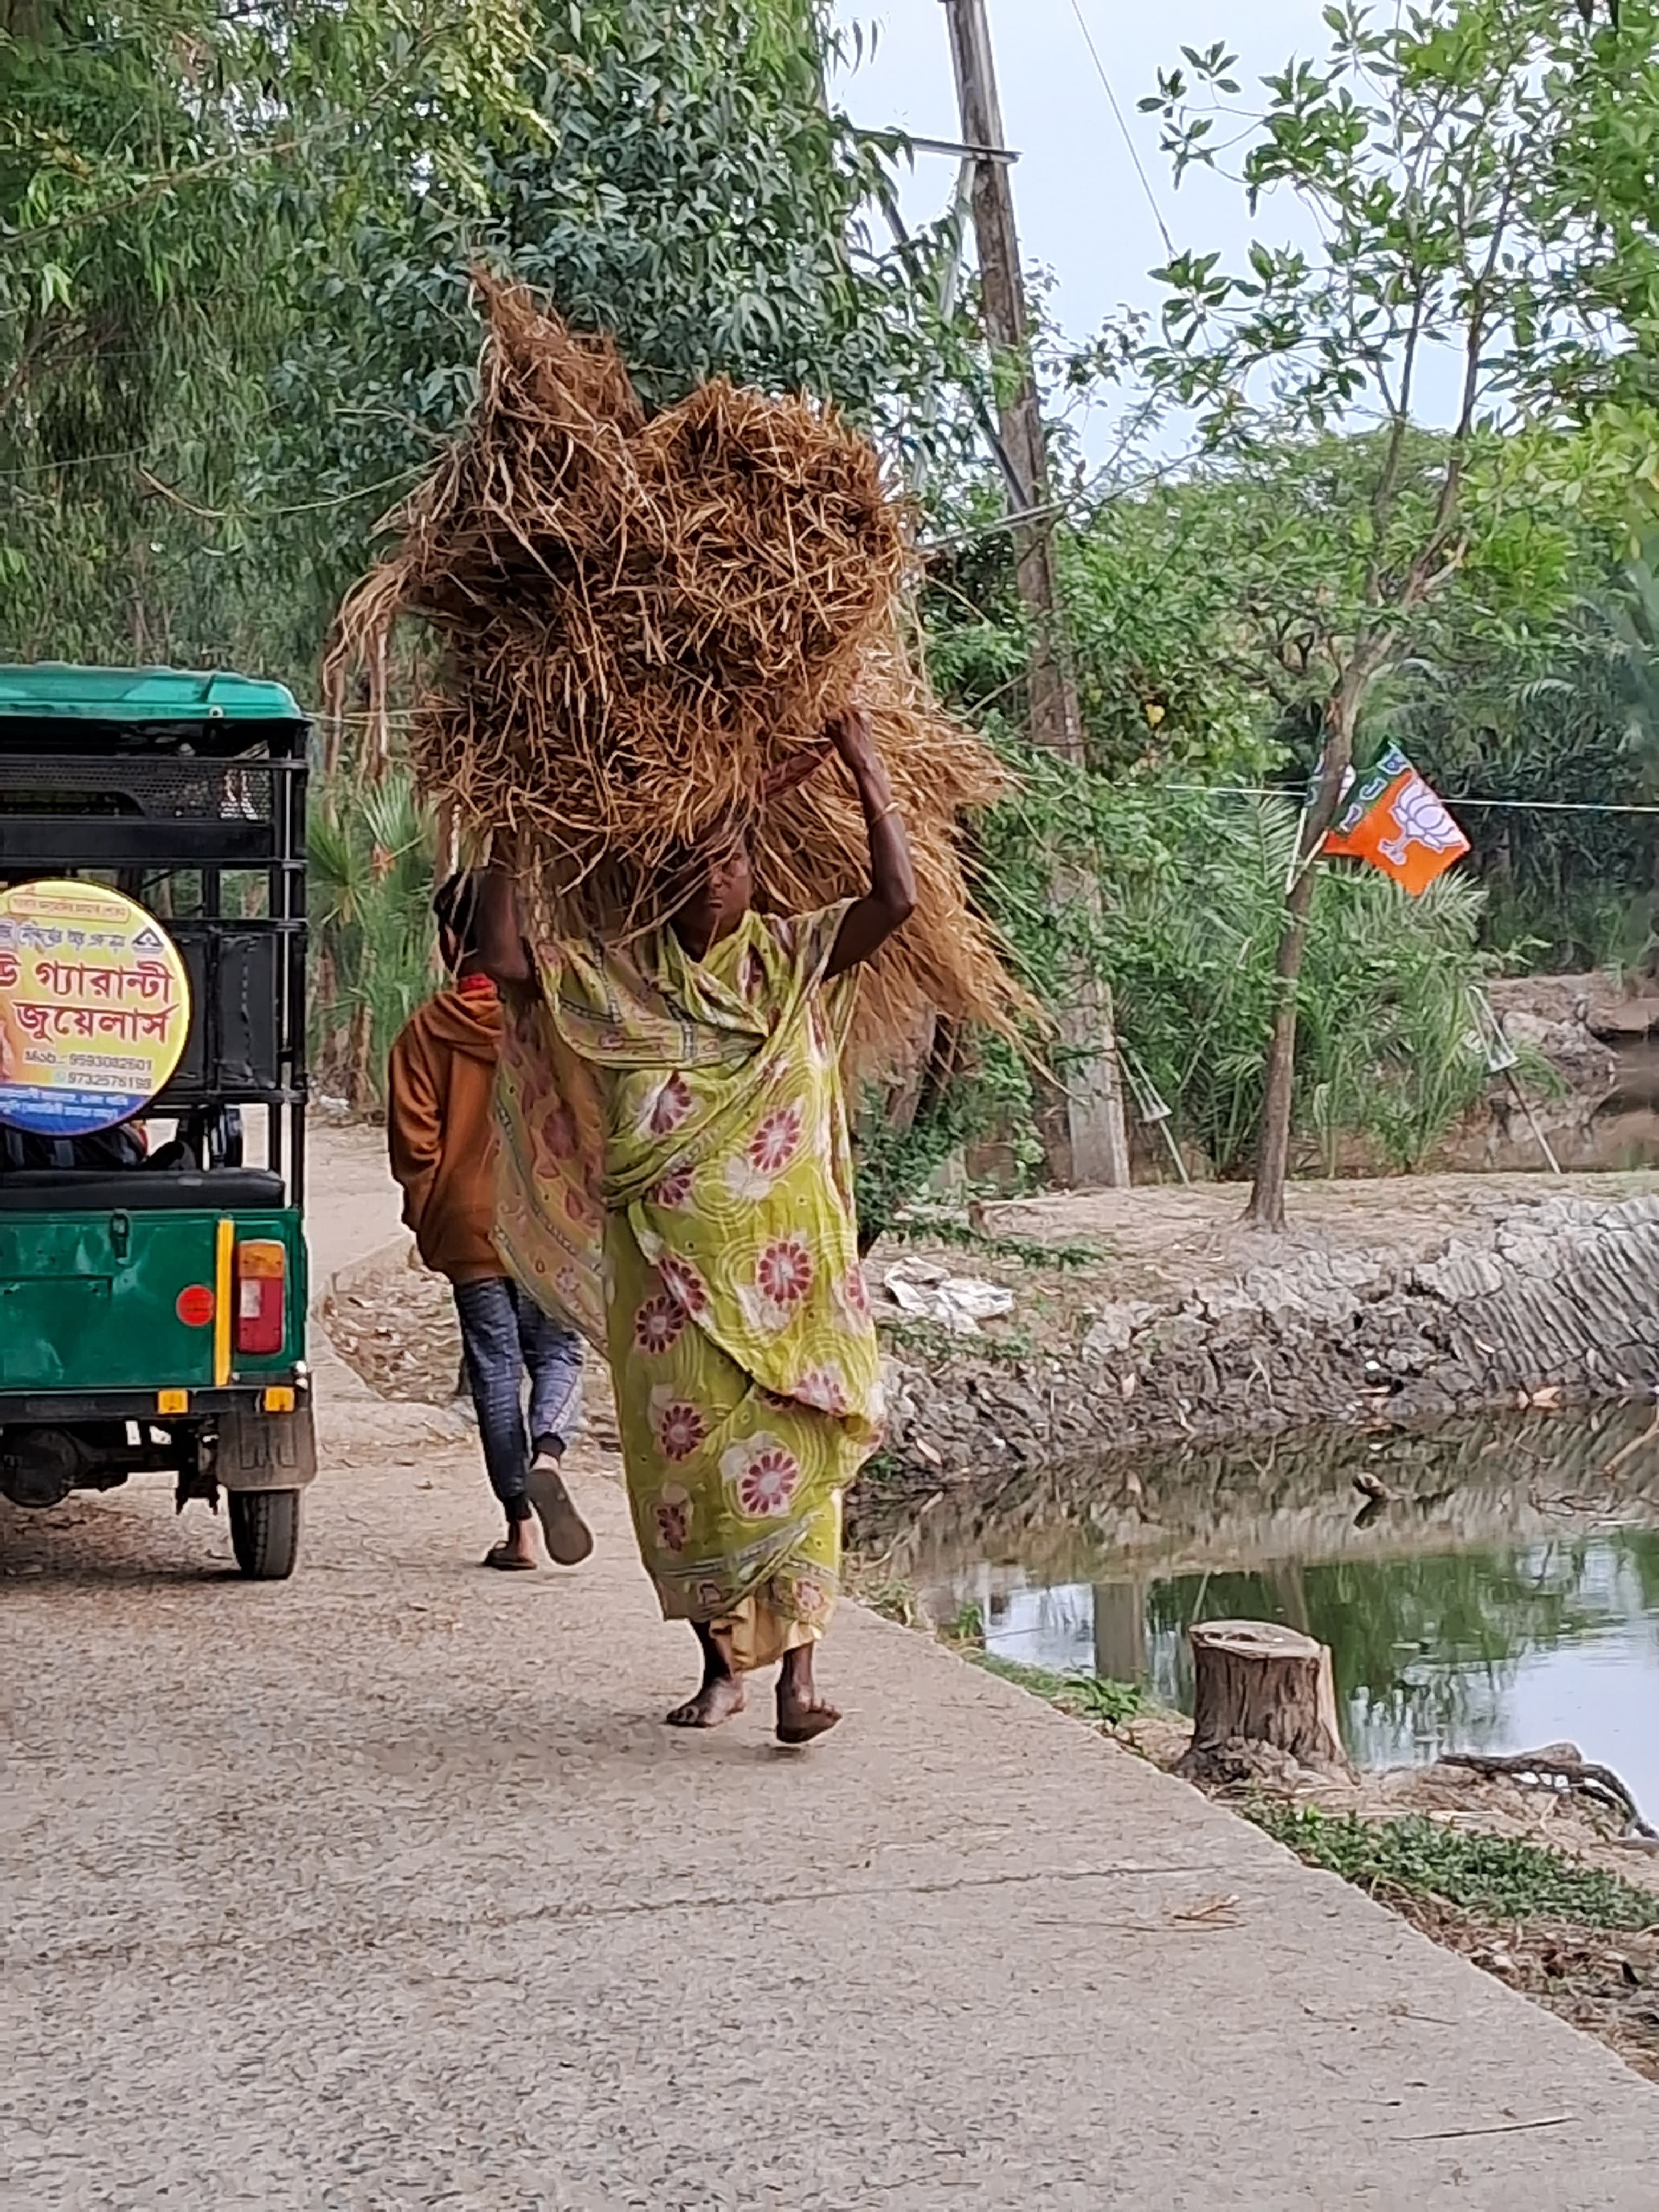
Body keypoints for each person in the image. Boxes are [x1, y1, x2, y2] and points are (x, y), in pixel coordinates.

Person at [479, 704, 915, 1742]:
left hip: (790, 1290)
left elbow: (895, 901)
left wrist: (865, 772)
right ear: (661, 883)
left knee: (798, 1469)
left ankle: (796, 1682)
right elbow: (502, 956)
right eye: (693, 865)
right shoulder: (618, 976)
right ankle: (718, 1668)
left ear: (757, 872)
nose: (713, 880)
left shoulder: (793, 957)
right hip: (667, 1292)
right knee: (692, 1482)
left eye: (730, 862)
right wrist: (505, 829)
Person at [388, 872, 587, 1571]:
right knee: (558, 1355)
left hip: (469, 1225)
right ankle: (551, 1453)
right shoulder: (553, 1022)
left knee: (495, 1373)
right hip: (548, 1222)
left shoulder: (424, 1033)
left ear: (450, 940)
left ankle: (521, 1530)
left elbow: (416, 1145)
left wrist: (433, 1219)